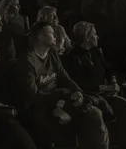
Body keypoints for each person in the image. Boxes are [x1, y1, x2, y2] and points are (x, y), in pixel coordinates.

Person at [20, 21, 109, 149]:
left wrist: (77, 91)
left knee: (94, 113)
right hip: (41, 106)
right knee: (72, 119)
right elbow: (33, 95)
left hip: (60, 100)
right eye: (51, 33)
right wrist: (60, 98)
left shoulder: (52, 53)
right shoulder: (28, 60)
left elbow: (65, 77)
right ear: (40, 37)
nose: (55, 35)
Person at [63, 22, 126, 149]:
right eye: (94, 34)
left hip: (104, 95)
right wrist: (106, 88)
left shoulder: (96, 52)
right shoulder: (72, 58)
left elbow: (110, 70)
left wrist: (114, 82)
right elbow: (81, 84)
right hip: (89, 98)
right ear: (87, 37)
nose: (97, 37)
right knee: (96, 114)